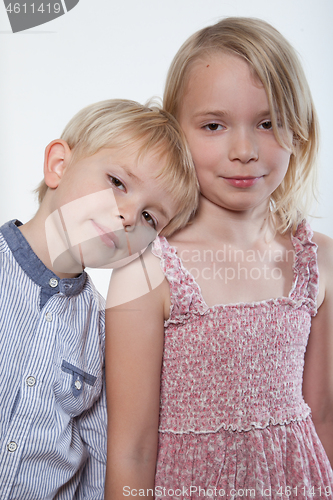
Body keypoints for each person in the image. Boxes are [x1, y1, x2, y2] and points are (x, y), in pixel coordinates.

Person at [105, 18, 333, 499]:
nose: (245, 150)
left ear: (301, 129)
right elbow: (132, 450)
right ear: (176, 132)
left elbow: (323, 414)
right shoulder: (149, 271)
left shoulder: (320, 260)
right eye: (214, 125)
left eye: (268, 123)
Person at [0, 98, 198, 500]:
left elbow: (99, 456)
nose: (127, 215)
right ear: (59, 166)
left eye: (149, 218)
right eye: (118, 183)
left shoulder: (103, 329)